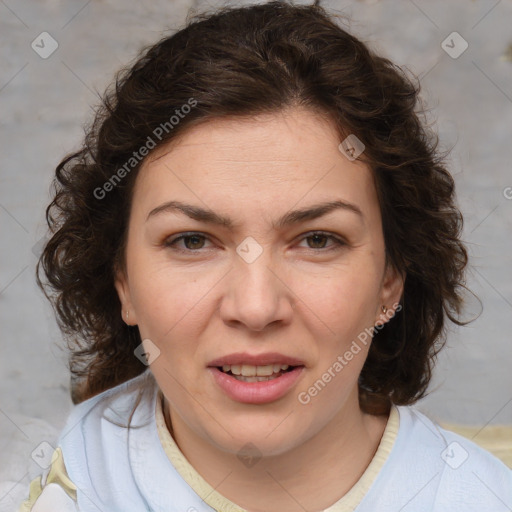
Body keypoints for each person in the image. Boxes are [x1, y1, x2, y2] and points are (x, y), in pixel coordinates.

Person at [18, 1, 512, 511]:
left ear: (391, 279)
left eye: (318, 240)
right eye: (192, 241)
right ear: (122, 280)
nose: (255, 308)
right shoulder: (70, 479)